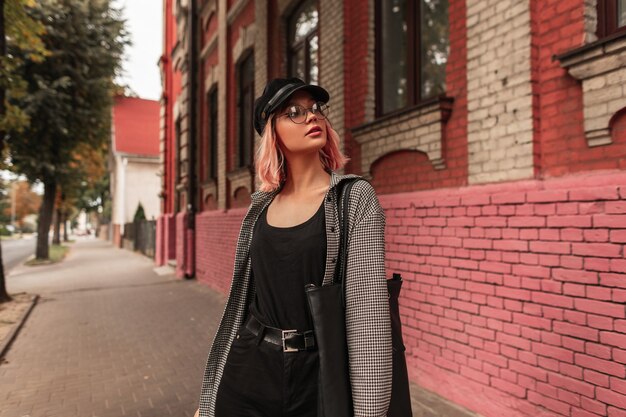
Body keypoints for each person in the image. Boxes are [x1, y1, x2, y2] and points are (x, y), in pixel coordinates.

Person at [194, 77, 392, 417]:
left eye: (315, 109)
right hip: (248, 368)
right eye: (293, 112)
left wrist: (370, 412)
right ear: (273, 132)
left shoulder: (354, 199)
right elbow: (241, 303)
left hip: (315, 379)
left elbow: (368, 319)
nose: (312, 117)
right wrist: (208, 402)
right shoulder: (260, 207)